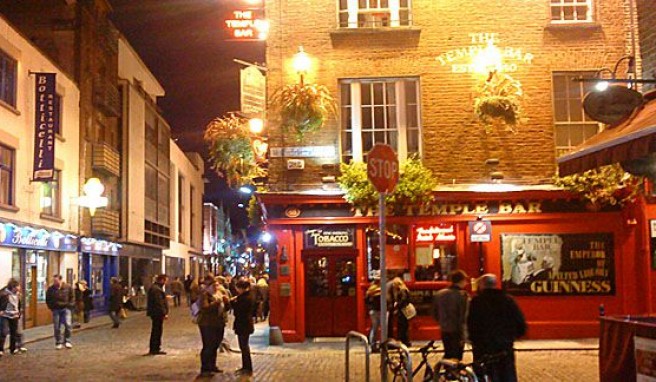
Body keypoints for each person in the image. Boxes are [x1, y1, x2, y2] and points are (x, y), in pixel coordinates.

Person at [467, 274, 527, 382]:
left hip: (483, 346)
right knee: (506, 373)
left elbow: (472, 323)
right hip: (504, 345)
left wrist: (474, 339)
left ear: (482, 286)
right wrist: (512, 336)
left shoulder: (477, 302)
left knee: (483, 374)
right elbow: (520, 322)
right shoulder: (508, 300)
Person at [196, 276, 230, 377]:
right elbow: (205, 308)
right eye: (214, 285)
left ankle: (212, 365)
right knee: (208, 345)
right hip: (207, 324)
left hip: (219, 323)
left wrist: (227, 302)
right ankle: (205, 367)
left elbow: (226, 309)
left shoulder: (220, 294)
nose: (216, 287)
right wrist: (216, 303)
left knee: (215, 344)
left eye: (217, 285)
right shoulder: (205, 295)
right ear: (209, 286)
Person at [433, 269, 469, 360]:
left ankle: (447, 371)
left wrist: (442, 321)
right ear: (461, 281)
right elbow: (464, 316)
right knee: (457, 356)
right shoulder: (463, 296)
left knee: (448, 353)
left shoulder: (439, 294)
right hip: (457, 331)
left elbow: (434, 313)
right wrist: (464, 334)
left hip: (445, 329)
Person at [232, 279, 255, 376]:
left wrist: (233, 303)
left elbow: (239, 311)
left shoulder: (244, 298)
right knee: (244, 346)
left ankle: (247, 367)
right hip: (245, 324)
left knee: (244, 347)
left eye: (238, 288)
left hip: (243, 325)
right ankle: (246, 366)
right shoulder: (246, 296)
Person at [45, 275, 75, 349]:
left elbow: (72, 297)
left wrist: (70, 305)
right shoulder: (51, 289)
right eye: (54, 281)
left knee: (68, 325)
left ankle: (67, 341)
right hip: (56, 309)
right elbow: (48, 299)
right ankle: (58, 342)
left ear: (61, 280)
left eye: (56, 281)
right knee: (57, 326)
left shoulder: (68, 287)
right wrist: (51, 307)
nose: (55, 282)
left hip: (66, 308)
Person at [0, 279, 26, 355]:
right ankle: (0, 349)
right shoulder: (4, 293)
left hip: (14, 315)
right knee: (3, 332)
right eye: (18, 286)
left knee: (13, 332)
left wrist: (19, 311)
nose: (19, 288)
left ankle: (13, 348)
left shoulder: (18, 294)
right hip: (5, 315)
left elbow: (19, 303)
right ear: (13, 287)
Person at [147, 274, 169, 355]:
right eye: (166, 280)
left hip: (155, 313)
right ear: (162, 280)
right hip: (157, 313)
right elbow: (158, 303)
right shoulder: (156, 290)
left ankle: (155, 348)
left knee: (156, 330)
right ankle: (155, 348)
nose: (166, 283)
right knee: (157, 331)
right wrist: (164, 313)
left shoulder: (156, 288)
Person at [390, 277, 412, 347]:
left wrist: (397, 304)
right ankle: (405, 341)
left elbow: (403, 299)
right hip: (403, 311)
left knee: (402, 326)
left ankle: (404, 341)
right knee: (403, 326)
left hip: (402, 311)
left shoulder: (402, 290)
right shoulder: (404, 289)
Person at [365, 271, 382, 350]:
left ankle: (373, 345)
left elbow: (366, 299)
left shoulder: (371, 289)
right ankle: (381, 344)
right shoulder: (381, 288)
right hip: (380, 310)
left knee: (374, 328)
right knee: (382, 328)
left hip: (373, 310)